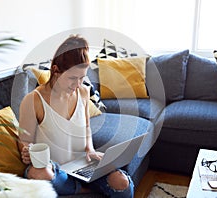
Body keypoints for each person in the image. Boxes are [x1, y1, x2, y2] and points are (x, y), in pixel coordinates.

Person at [18, 35, 134, 197]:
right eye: (72, 78)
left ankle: (80, 186)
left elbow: (86, 126)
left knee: (121, 182)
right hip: (54, 170)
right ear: (56, 70)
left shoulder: (84, 92)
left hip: (83, 164)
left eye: (82, 78)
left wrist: (90, 150)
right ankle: (85, 188)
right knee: (40, 174)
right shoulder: (33, 100)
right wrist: (26, 150)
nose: (78, 84)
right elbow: (25, 140)